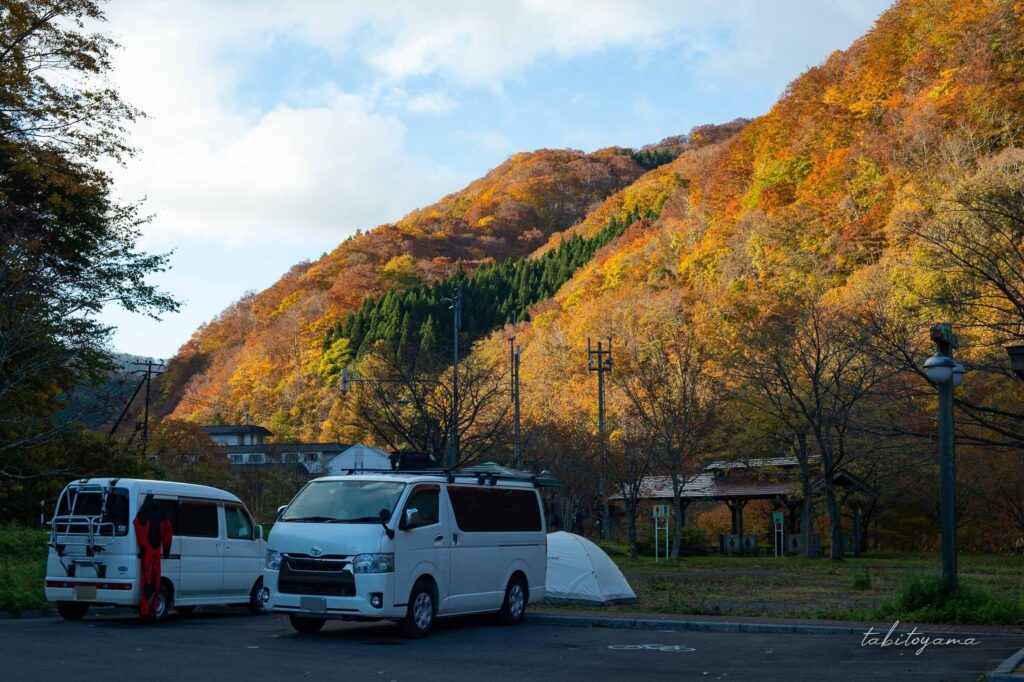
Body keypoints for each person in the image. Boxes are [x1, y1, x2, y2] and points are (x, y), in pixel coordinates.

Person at [133, 494, 173, 619]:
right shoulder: (161, 511)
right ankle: (154, 611)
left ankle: (145, 611)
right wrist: (166, 550)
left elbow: (138, 525)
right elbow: (168, 529)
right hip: (157, 550)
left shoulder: (144, 510)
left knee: (147, 580)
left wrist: (142, 546)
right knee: (156, 581)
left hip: (148, 551)